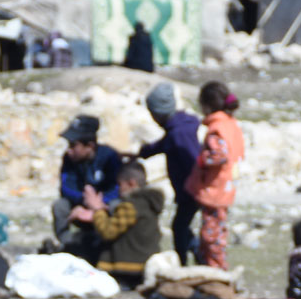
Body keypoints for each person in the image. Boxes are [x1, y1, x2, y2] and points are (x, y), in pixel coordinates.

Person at [137, 82, 202, 264]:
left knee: (179, 227)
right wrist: (140, 153)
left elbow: (192, 159)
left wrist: (194, 186)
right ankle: (195, 257)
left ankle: (185, 263)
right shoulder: (177, 127)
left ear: (159, 112)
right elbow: (162, 145)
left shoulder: (179, 133)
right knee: (182, 226)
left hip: (190, 190)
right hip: (188, 189)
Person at [186, 81, 242, 271]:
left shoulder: (216, 128)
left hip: (215, 189)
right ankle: (213, 267)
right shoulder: (230, 123)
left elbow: (220, 155)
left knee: (212, 236)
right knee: (217, 232)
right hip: (226, 186)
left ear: (207, 106)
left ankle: (217, 270)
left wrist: (202, 160)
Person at [77, 159, 162, 285]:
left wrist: (97, 209)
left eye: (120, 185)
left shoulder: (131, 205)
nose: (119, 189)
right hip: (141, 263)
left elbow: (108, 232)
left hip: (128, 267)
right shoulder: (146, 203)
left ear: (131, 183)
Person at [52, 115, 122, 256]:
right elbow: (66, 187)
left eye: (73, 145)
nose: (69, 150)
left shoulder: (110, 157)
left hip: (103, 206)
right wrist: (83, 201)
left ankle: (110, 246)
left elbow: (117, 188)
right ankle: (68, 244)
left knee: (117, 205)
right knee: (59, 205)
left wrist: (98, 205)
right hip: (80, 205)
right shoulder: (69, 159)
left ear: (89, 146)